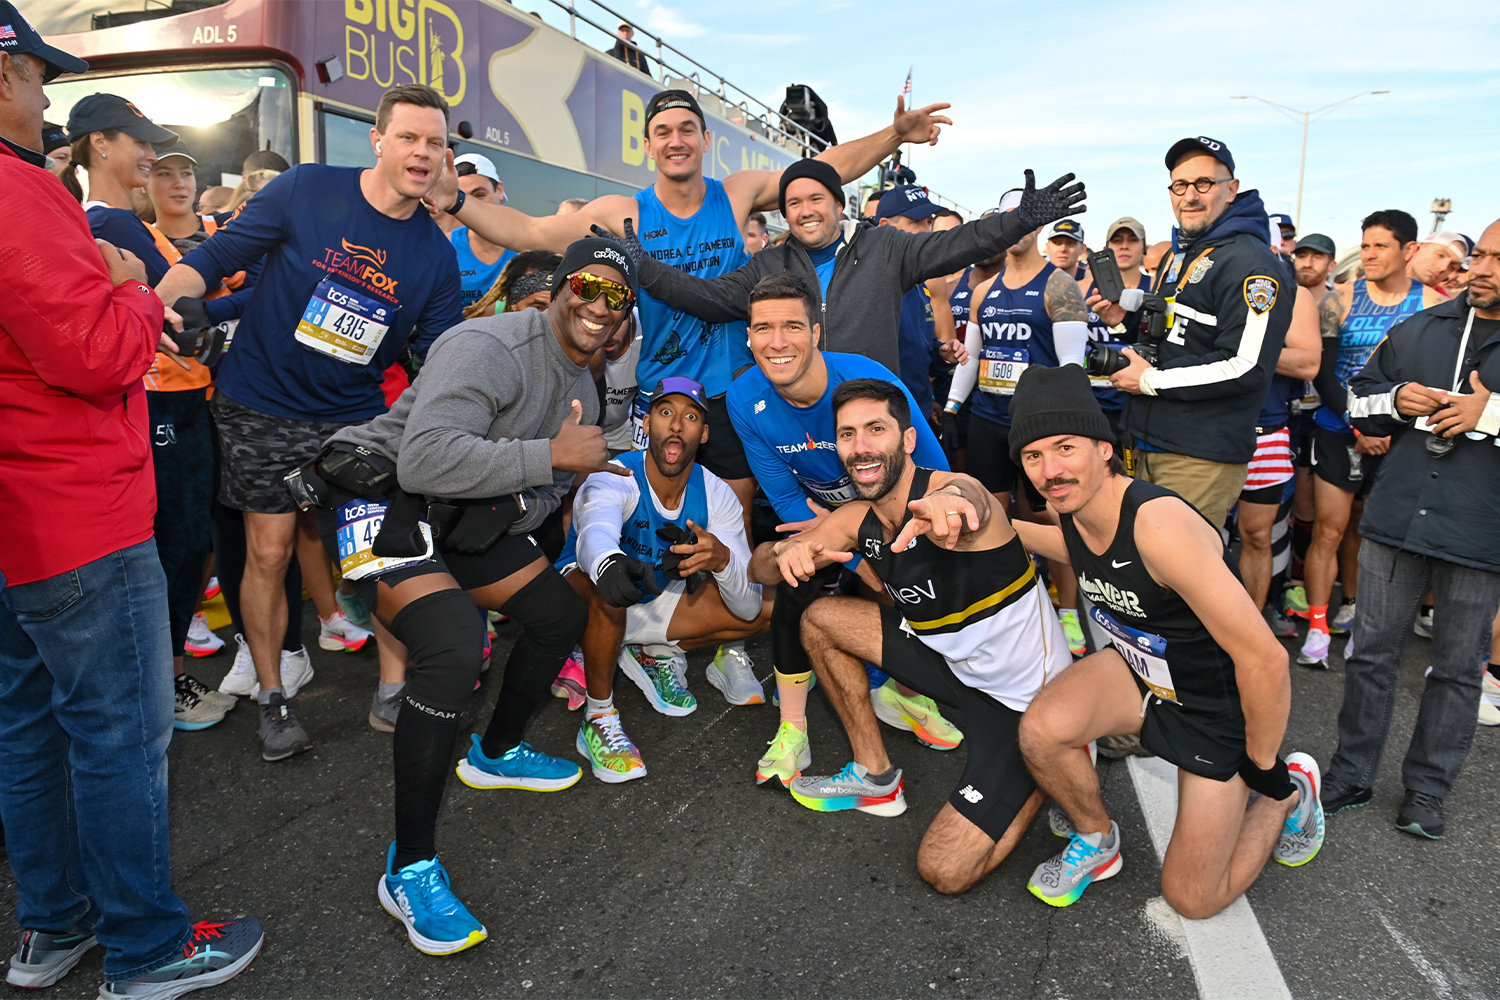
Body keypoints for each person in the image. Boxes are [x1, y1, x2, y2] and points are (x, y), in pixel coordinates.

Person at [0, 6, 264, 992]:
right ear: (4, 73)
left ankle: (53, 927)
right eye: (38, 78)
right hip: (76, 508)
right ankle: (147, 947)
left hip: (20, 512)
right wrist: (137, 291)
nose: (47, 100)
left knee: (30, 726)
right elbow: (101, 353)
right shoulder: (20, 194)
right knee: (118, 732)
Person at [307, 236, 635, 953]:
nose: (598, 304)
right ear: (557, 288)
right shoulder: (488, 345)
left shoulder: (581, 387)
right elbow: (423, 458)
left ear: (624, 322)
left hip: (462, 513)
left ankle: (496, 752)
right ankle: (410, 868)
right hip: (387, 499)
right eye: (588, 285)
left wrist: (521, 507)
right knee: (455, 649)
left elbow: (545, 493)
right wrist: (550, 457)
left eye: (619, 298)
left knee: (558, 613)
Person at [434, 89, 954, 519]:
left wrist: (894, 137)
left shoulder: (736, 194)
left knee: (737, 508)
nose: (676, 140)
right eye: (663, 132)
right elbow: (528, 230)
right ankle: (655, 628)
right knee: (653, 506)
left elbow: (819, 171)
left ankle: (735, 625)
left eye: (687, 129)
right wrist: (454, 199)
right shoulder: (625, 210)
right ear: (648, 146)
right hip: (662, 385)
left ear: (706, 140)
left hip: (735, 388)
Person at [152, 83, 466, 761]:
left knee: (375, 553)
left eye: (434, 142)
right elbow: (216, 259)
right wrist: (164, 299)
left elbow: (437, 364)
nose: (422, 153)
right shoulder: (305, 190)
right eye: (408, 137)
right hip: (260, 405)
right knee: (267, 553)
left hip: (355, 420)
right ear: (377, 140)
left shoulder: (436, 257)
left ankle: (391, 685)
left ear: (444, 157)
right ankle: (273, 695)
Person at [1007, 365, 1324, 916]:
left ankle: (1292, 792)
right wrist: (978, 524)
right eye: (1033, 456)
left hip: (1211, 707)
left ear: (1104, 449)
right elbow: (1066, 547)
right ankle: (1096, 838)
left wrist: (1264, 766)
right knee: (1041, 731)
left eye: (1065, 447)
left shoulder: (1158, 526)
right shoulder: (1074, 510)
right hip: (1142, 675)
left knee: (1193, 899)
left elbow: (1266, 658)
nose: (1050, 470)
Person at [750, 378, 1071, 895]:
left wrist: (950, 503)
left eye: (876, 430)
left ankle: (1045, 766)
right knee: (820, 618)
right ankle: (874, 777)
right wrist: (780, 555)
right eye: (848, 434)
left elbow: (969, 498)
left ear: (907, 440)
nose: (861, 447)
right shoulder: (858, 519)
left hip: (1023, 705)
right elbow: (760, 570)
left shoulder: (952, 491)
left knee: (944, 870)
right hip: (951, 669)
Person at [726, 275, 956, 786]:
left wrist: (878, 552)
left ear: (815, 331)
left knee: (905, 585)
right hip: (821, 521)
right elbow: (786, 500)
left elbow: (935, 476)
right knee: (795, 572)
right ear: (748, 336)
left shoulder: (867, 380)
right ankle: (792, 728)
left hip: (894, 513)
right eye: (763, 328)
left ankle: (905, 692)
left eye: (791, 327)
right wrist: (852, 555)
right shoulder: (744, 399)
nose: (777, 342)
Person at [1321, 219, 1500, 839]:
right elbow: (1357, 398)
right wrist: (1395, 401)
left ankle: (1427, 791)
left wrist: (1490, 411)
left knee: (1456, 669)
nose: (1483, 269)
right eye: (1482, 256)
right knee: (1370, 654)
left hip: (1481, 534)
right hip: (1397, 520)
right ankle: (1351, 772)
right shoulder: (1420, 328)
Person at [621, 161, 1084, 381]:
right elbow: (708, 297)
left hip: (875, 413)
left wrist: (1020, 220)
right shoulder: (768, 265)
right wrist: (646, 269)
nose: (805, 211)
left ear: (839, 205)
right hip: (801, 417)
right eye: (794, 203)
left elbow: (957, 243)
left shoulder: (887, 247)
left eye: (816, 199)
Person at [560, 376, 769, 781]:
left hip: (652, 601)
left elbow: (748, 608)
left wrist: (723, 560)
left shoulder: (717, 492)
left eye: (690, 416)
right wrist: (607, 563)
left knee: (773, 608)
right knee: (609, 589)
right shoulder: (614, 475)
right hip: (582, 602)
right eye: (665, 412)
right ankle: (598, 717)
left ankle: (650, 651)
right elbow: (594, 532)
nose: (676, 425)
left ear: (704, 433)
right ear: (647, 422)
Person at [1095, 136, 1294, 533]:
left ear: (1232, 189)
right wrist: (1123, 321)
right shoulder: (1180, 252)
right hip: (1148, 440)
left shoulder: (1252, 263)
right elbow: (1172, 335)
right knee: (1147, 571)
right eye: (1179, 185)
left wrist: (1149, 381)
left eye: (1204, 183)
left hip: (1198, 454)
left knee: (1180, 579)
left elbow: (1246, 366)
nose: (1190, 196)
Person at [943, 186, 1093, 656]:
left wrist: (1065, 427)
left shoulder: (1059, 286)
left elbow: (1073, 367)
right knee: (993, 516)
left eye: (1023, 218)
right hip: (988, 418)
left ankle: (1068, 612)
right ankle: (1016, 608)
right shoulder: (983, 290)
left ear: (1038, 224)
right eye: (1008, 217)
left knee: (1049, 518)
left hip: (1038, 428)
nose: (1015, 226)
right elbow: (971, 358)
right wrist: (952, 407)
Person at [1298, 209, 1444, 668]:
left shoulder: (1433, 305)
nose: (1370, 254)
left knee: (1378, 535)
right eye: (1365, 245)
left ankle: (1363, 619)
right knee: (1329, 529)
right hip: (1341, 428)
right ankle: (1318, 628)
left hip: (1400, 439)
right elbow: (1323, 373)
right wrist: (1362, 426)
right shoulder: (1338, 300)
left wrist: (1384, 429)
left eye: (1381, 245)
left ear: (1409, 250)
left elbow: (1434, 378)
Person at [875, 185, 964, 424]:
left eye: (928, 222)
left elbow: (917, 353)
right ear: (885, 226)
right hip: (881, 422)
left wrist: (942, 355)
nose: (928, 231)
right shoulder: (866, 283)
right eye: (917, 222)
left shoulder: (918, 281)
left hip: (918, 415)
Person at [1082, 217, 1151, 435]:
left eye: (1132, 240)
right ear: (1106, 249)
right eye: (1117, 240)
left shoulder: (1157, 288)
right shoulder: (1080, 290)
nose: (1124, 245)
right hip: (1090, 403)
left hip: (1137, 401)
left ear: (1144, 249)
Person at [448, 153, 515, 309]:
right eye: (462, 197)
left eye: (479, 195)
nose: (471, 204)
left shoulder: (526, 247)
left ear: (499, 190)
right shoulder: (444, 246)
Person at [465, 248, 560, 319]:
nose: (549, 317)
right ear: (512, 303)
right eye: (537, 308)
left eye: (558, 308)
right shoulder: (488, 319)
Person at [1408, 230, 1469, 299]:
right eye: (1440, 255)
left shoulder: (1444, 307)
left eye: (1452, 267)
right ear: (1416, 248)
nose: (1443, 267)